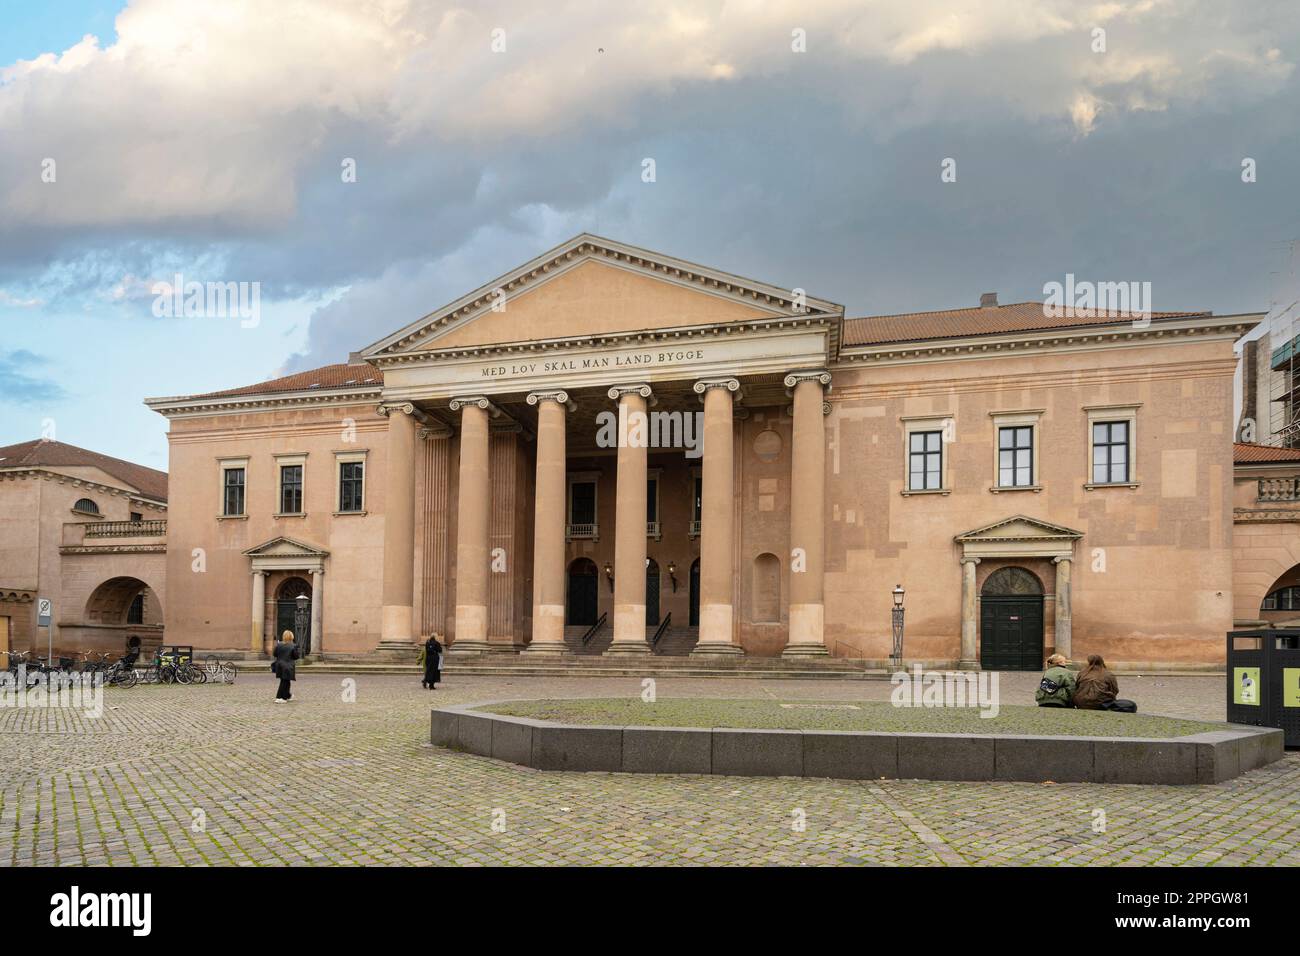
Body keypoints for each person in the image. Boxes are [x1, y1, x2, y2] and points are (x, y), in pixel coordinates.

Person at [272, 629, 301, 703]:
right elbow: (296, 656)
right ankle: (280, 697)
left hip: (279, 665)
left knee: (285, 681)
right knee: (284, 681)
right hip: (288, 666)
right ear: (291, 637)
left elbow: (275, 654)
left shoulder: (279, 645)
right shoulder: (293, 646)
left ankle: (288, 695)